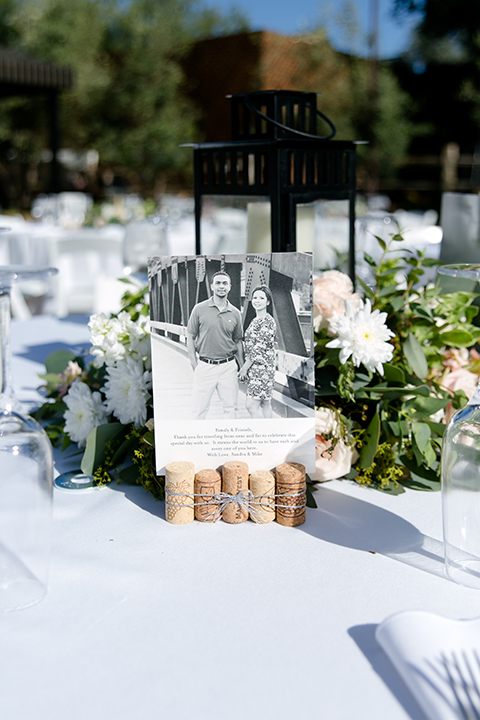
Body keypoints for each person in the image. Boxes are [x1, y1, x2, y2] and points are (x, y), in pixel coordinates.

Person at [187, 271, 244, 420]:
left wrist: (242, 366)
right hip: (205, 365)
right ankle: (197, 440)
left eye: (225, 283)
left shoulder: (236, 313)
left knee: (231, 409)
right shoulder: (199, 309)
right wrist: (194, 362)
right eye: (218, 283)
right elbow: (190, 336)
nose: (221, 286)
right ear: (212, 286)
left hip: (228, 367)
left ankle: (228, 441)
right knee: (198, 410)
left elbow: (238, 341)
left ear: (230, 287)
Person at [238, 285, 277, 418]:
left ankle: (261, 431)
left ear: (267, 302)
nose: (257, 300)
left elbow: (258, 348)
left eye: (261, 298)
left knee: (251, 405)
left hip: (263, 368)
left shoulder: (268, 321)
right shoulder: (255, 320)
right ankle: (268, 432)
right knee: (265, 403)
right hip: (255, 368)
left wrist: (244, 368)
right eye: (255, 297)